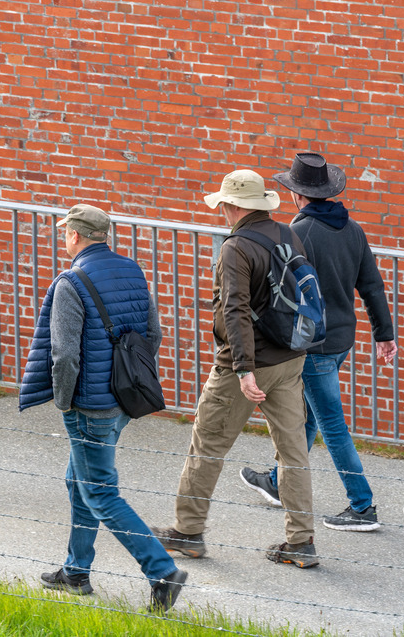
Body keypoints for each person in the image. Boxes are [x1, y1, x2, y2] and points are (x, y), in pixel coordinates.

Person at [18, 203, 188, 612]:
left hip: (89, 408)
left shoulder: (69, 282)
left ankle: (161, 570)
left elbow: (63, 356)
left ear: (75, 235)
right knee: (79, 481)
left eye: (65, 233)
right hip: (122, 402)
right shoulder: (132, 270)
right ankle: (76, 572)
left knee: (100, 493)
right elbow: (153, 333)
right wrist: (122, 382)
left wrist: (64, 401)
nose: (64, 239)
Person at [152, 170, 320, 569]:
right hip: (290, 359)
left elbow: (235, 310)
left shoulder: (236, 248)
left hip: (244, 367)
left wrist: (244, 370)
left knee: (207, 443)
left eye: (224, 205)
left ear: (232, 206)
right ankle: (301, 542)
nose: (223, 211)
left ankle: (187, 533)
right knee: (293, 452)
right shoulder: (288, 234)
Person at [239, 153, 397, 532]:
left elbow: (279, 292)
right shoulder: (352, 229)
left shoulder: (299, 233)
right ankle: (279, 483)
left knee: (330, 424)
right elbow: (372, 285)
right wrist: (385, 334)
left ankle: (362, 506)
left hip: (313, 345)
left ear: (297, 195)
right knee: (310, 415)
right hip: (342, 340)